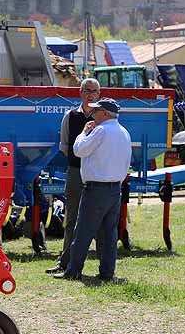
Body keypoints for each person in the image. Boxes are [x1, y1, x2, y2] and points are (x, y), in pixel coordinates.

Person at [54, 98, 132, 281]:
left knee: (83, 232)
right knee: (109, 234)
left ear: (105, 113)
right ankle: (107, 273)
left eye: (96, 111)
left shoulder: (100, 130)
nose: (92, 114)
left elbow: (79, 150)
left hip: (96, 189)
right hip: (114, 189)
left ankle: (73, 271)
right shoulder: (124, 132)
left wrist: (83, 132)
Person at [45, 78, 100, 274]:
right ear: (80, 92)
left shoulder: (102, 117)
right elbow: (64, 147)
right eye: (87, 90)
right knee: (71, 218)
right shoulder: (70, 116)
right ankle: (65, 262)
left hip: (96, 174)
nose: (91, 94)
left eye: (94, 91)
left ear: (98, 94)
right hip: (76, 172)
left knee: (99, 219)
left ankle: (104, 265)